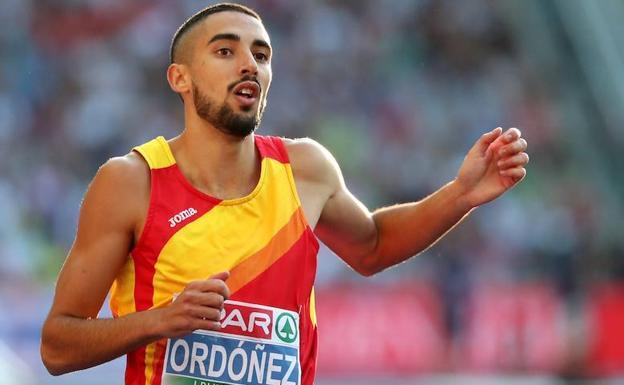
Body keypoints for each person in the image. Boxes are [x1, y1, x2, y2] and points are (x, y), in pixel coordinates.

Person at [40, 3, 529, 385]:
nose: (249, 65)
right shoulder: (131, 182)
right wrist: (159, 321)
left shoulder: (304, 169)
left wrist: (462, 193)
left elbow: (374, 246)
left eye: (262, 54)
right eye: (225, 51)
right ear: (180, 78)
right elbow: (58, 345)